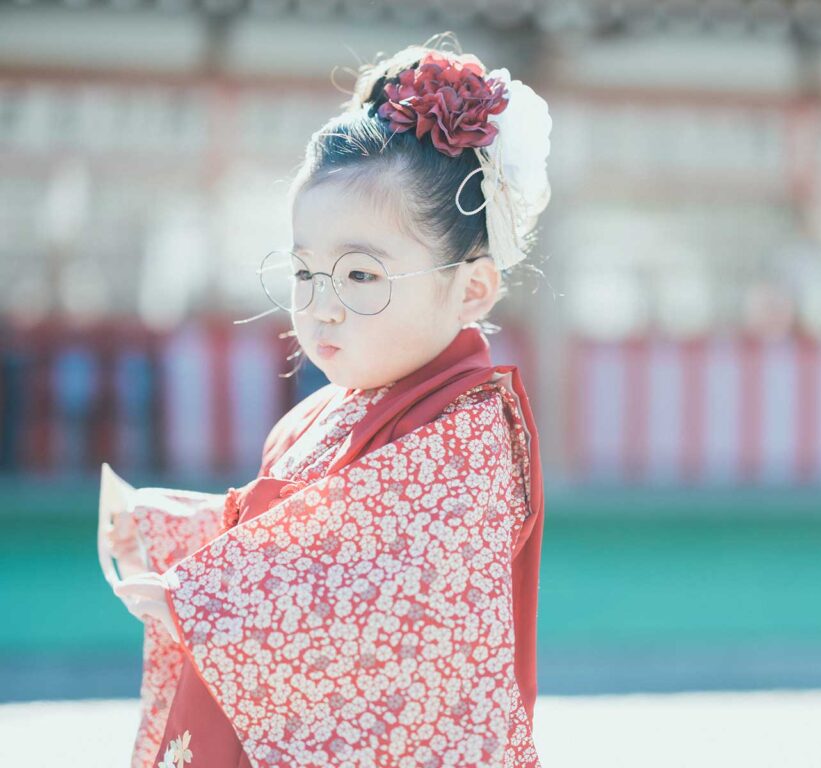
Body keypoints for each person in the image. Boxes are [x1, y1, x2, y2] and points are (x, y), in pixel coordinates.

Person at [98, 35, 551, 768]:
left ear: (471, 288)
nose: (321, 308)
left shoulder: (468, 433)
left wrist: (210, 597)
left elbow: (379, 572)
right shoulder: (322, 410)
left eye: (361, 276)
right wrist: (172, 529)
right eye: (306, 273)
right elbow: (297, 529)